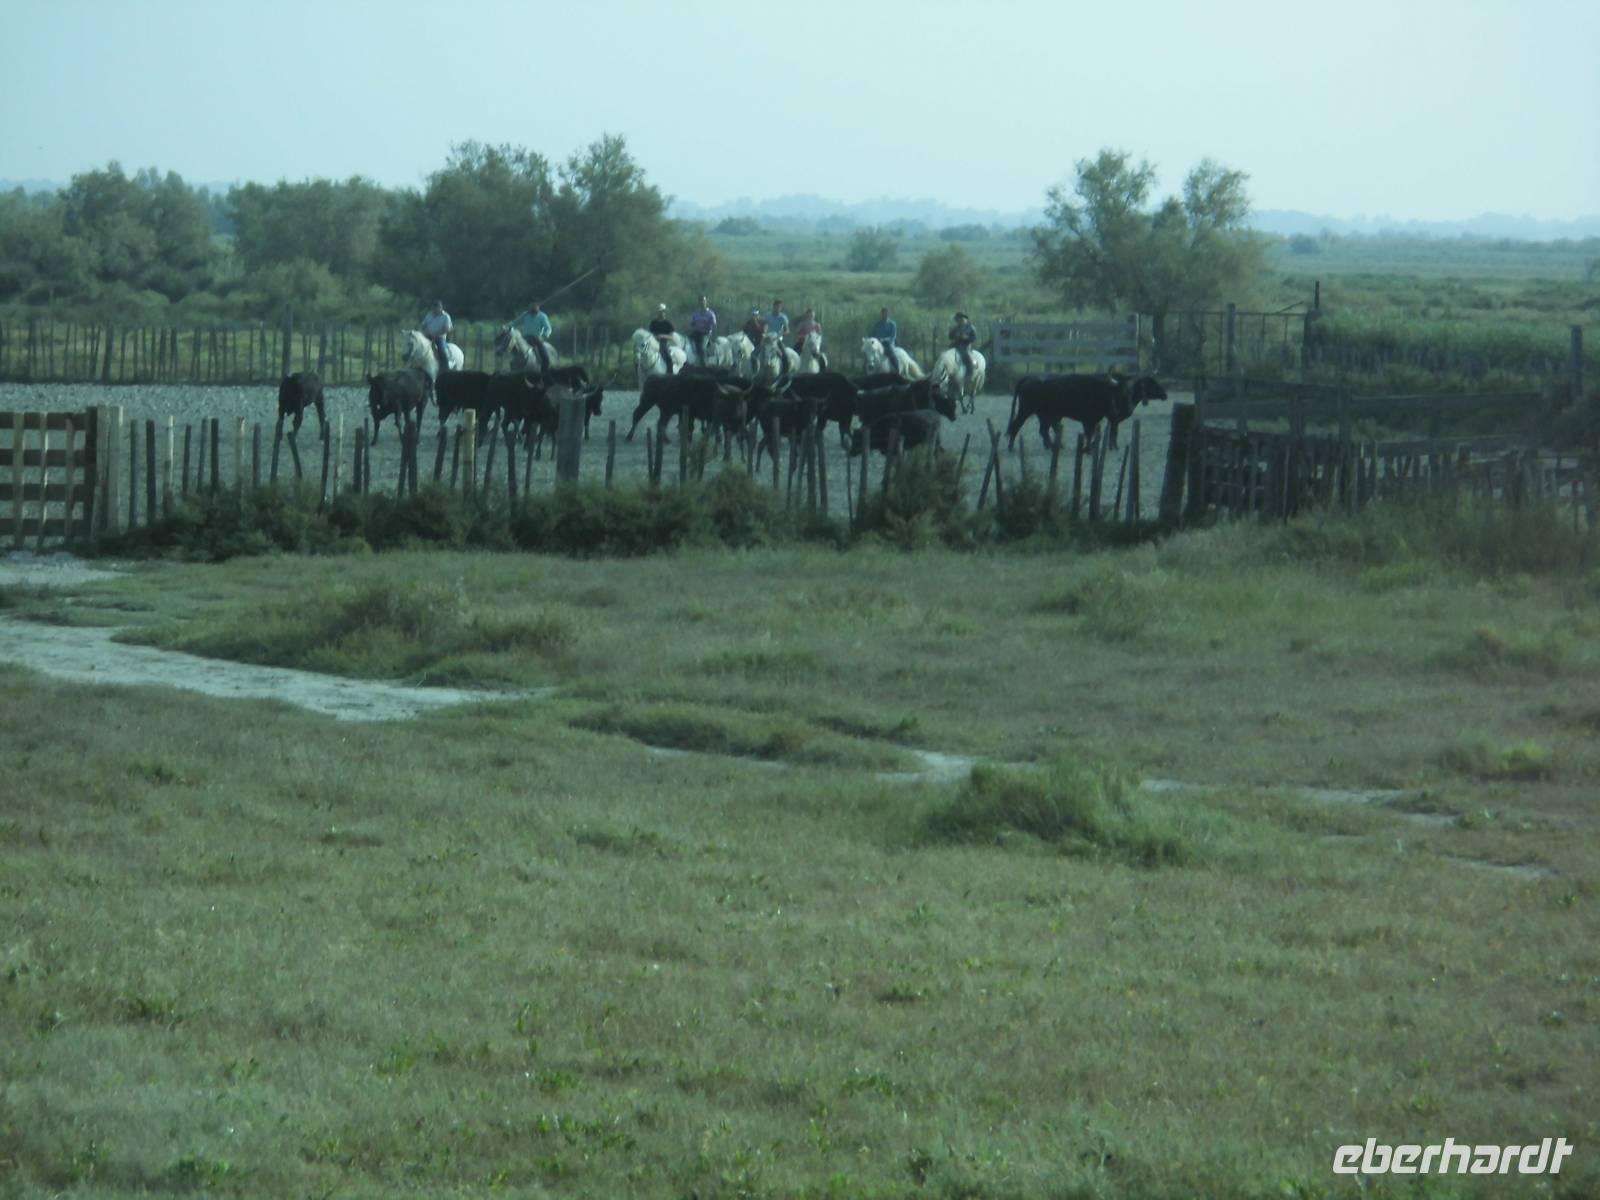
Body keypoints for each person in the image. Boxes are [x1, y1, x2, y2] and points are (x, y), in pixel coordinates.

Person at [512, 300, 553, 371]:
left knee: (546, 359)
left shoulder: (542, 316)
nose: (532, 307)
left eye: (534, 305)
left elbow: (548, 329)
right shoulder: (525, 315)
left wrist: (543, 336)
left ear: (538, 306)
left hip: (537, 339)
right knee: (514, 349)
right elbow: (515, 323)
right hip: (525, 339)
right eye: (531, 305)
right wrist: (506, 326)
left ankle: (544, 375)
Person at [421, 299, 453, 373]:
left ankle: (445, 369)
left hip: (439, 338)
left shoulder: (446, 316)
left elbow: (447, 329)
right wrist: (423, 331)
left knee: (442, 351)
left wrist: (436, 334)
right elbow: (424, 324)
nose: (435, 309)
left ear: (441, 307)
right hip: (428, 336)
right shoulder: (429, 315)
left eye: (437, 307)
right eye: (434, 308)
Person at [687, 295, 717, 366]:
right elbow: (691, 323)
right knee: (686, 343)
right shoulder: (696, 314)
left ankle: (704, 365)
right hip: (696, 333)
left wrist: (708, 326)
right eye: (701, 301)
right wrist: (691, 327)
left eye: (704, 301)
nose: (702, 302)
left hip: (705, 334)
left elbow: (714, 325)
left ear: (706, 302)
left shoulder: (710, 313)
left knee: (702, 348)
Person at [648, 303, 677, 374]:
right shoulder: (653, 323)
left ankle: (670, 374)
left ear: (665, 312)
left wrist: (662, 336)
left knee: (668, 357)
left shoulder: (668, 324)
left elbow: (671, 337)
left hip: (664, 343)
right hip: (653, 342)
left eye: (663, 311)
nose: (661, 313)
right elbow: (650, 333)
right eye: (660, 312)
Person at [870, 306, 899, 375]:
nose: (884, 315)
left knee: (890, 352)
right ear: (881, 314)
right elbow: (873, 334)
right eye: (883, 314)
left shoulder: (892, 324)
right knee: (869, 352)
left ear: (888, 314)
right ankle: (866, 369)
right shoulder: (877, 324)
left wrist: (885, 339)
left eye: (886, 314)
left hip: (888, 343)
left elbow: (893, 336)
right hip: (878, 343)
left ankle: (896, 368)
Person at [948, 310, 978, 376]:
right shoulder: (955, 328)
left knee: (967, 355)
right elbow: (950, 337)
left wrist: (966, 338)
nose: (959, 321)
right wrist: (952, 334)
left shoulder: (970, 328)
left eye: (960, 319)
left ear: (965, 319)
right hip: (955, 346)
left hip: (966, 346)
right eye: (957, 319)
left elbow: (974, 338)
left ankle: (970, 372)